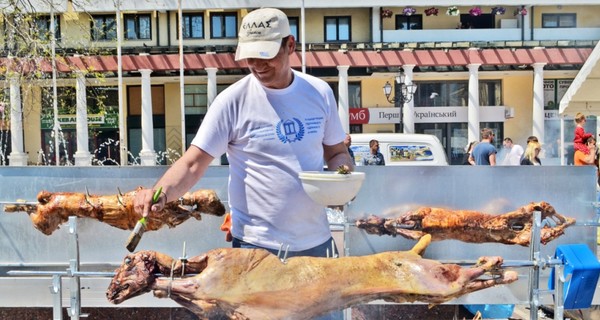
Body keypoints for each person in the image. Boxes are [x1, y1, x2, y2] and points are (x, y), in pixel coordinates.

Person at [133, 8, 353, 313]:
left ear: (290, 45)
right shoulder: (231, 101)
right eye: (250, 57)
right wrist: (160, 193)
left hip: (317, 245)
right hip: (254, 250)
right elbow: (193, 163)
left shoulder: (319, 92)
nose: (257, 65)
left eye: (265, 55)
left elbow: (336, 152)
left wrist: (344, 176)